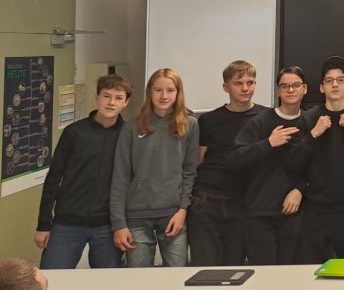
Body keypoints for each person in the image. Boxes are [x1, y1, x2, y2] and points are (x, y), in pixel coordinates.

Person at [35, 75, 131, 269]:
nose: (111, 102)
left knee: (108, 281)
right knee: (52, 277)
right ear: (97, 97)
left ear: (126, 103)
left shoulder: (128, 135)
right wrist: (44, 224)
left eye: (118, 98)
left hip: (108, 225)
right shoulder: (74, 132)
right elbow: (53, 178)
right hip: (67, 222)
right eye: (106, 96)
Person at [109, 68, 199, 267]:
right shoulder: (131, 127)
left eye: (170, 90)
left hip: (173, 215)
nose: (164, 96)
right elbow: (120, 176)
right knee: (140, 277)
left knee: (176, 276)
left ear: (178, 93)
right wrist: (119, 224)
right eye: (158, 90)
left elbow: (190, 172)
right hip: (136, 217)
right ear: (150, 92)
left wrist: (183, 210)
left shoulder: (190, 125)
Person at [290, 56, 344, 263]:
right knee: (311, 272)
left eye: (340, 80)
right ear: (322, 87)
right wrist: (314, 134)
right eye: (329, 81)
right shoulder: (309, 118)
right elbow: (294, 162)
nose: (335, 85)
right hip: (315, 211)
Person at [188, 60, 267, 266]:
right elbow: (200, 159)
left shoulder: (266, 117)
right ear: (226, 87)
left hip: (243, 203)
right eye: (238, 83)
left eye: (250, 82)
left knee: (233, 267)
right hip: (207, 200)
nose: (245, 88)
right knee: (204, 267)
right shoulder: (209, 120)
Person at [228, 66, 308, 265]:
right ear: (278, 91)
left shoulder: (311, 121)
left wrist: (300, 189)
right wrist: (268, 143)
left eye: (296, 85)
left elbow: (319, 166)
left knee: (291, 273)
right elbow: (234, 159)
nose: (291, 90)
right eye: (285, 86)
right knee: (265, 274)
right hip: (259, 214)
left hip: (294, 214)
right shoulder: (261, 121)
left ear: (305, 89)